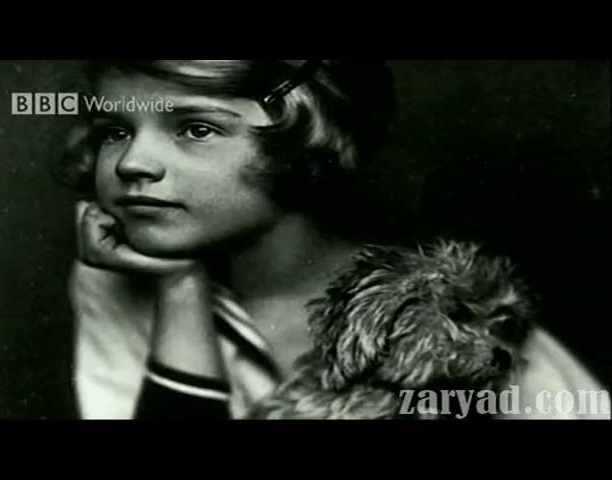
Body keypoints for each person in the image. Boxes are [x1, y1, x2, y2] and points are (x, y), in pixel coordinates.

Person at [63, 60, 609, 420]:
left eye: (196, 129)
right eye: (116, 131)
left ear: (302, 141)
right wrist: (180, 291)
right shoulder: (123, 276)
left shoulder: (454, 316)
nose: (132, 162)